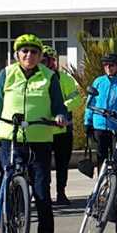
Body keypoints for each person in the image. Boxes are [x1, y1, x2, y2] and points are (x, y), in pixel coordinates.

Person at [0, 34, 67, 233]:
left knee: (41, 191)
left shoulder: (50, 76)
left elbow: (59, 106)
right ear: (17, 54)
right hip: (10, 139)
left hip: (39, 140)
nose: (29, 55)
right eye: (24, 51)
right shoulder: (7, 74)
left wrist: (60, 116)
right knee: (11, 187)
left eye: (33, 51)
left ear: (40, 56)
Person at [42, 45, 80, 205]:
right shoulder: (37, 78)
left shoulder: (64, 78)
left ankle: (61, 193)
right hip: (42, 130)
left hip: (62, 128)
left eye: (46, 60)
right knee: (42, 166)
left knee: (62, 164)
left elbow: (76, 98)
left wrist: (61, 107)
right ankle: (43, 194)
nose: (43, 64)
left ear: (53, 61)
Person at [84, 53, 117, 167]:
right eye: (105, 65)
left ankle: (115, 180)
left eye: (111, 65)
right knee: (101, 156)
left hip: (116, 125)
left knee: (116, 157)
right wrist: (87, 122)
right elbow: (90, 102)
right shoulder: (98, 81)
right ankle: (102, 182)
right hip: (99, 124)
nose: (108, 68)